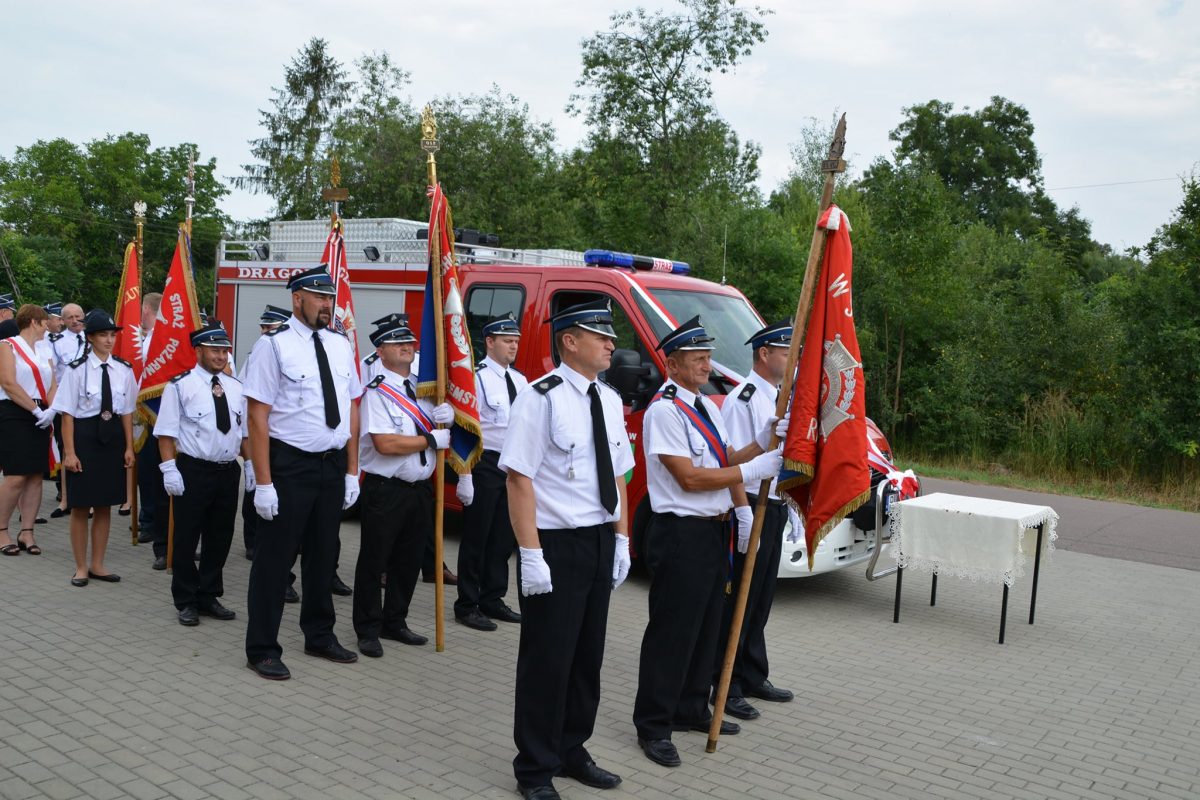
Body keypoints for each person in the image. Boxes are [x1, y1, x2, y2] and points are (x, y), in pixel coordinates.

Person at [631, 315, 783, 768]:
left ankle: (691, 707)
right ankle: (654, 724)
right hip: (681, 533)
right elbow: (691, 477)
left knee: (708, 626)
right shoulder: (664, 410)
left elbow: (724, 458)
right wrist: (752, 473)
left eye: (707, 356)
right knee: (673, 632)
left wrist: (762, 441)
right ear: (673, 364)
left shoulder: (707, 407)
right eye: (696, 358)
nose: (705, 363)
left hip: (712, 531)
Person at [499, 299, 634, 799]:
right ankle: (534, 768)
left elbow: (617, 474)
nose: (610, 343)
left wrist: (621, 538)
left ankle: (571, 749)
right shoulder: (541, 397)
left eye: (611, 336)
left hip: (598, 538)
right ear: (569, 341)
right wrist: (530, 554)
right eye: (599, 335)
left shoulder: (611, 400)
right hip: (555, 543)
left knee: (585, 656)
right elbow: (518, 478)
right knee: (547, 659)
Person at [243, 265, 363, 681]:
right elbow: (257, 417)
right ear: (298, 299)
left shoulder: (339, 345)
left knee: (324, 555)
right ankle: (262, 647)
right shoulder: (273, 348)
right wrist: (263, 483)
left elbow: (351, 408)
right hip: (289, 464)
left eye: (330, 298)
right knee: (275, 560)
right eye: (319, 297)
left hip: (331, 464)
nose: (328, 305)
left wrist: (352, 471)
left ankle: (319, 634)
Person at [352, 316, 455, 656]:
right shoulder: (377, 393)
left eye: (409, 341)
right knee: (374, 560)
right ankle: (367, 629)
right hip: (387, 489)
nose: (407, 347)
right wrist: (430, 439)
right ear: (380, 351)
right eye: (398, 343)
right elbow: (385, 443)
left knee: (409, 561)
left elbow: (437, 429)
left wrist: (447, 415)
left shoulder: (425, 388)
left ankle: (394, 621)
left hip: (420, 490)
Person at [713, 320, 799, 722]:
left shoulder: (782, 396)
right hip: (749, 502)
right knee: (740, 601)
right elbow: (731, 461)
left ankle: (751, 672)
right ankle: (725, 685)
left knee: (761, 597)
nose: (791, 358)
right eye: (786, 351)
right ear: (764, 355)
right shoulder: (743, 399)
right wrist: (743, 512)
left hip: (774, 504)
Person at [154, 322, 249, 626]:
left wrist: (250, 464)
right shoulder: (179, 386)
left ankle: (209, 594)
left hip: (226, 471)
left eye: (224, 351)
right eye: (215, 350)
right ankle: (185, 599)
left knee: (220, 537)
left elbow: (243, 433)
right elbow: (166, 433)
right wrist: (169, 469)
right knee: (186, 537)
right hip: (193, 469)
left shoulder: (236, 388)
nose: (221, 356)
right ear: (199, 351)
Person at [50, 309, 137, 587]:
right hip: (85, 437)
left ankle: (98, 563)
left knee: (104, 505)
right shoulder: (77, 370)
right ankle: (81, 566)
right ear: (90, 338)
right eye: (103, 335)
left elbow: (126, 412)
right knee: (80, 505)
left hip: (112, 439)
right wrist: (70, 452)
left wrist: (128, 447)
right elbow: (67, 415)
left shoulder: (123, 369)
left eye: (112, 335)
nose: (109, 341)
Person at [454, 312, 527, 631]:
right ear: (490, 342)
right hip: (485, 464)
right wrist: (466, 475)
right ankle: (467, 604)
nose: (513, 346)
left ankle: (492, 597)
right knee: (476, 538)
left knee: (502, 538)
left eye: (516, 341)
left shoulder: (521, 380)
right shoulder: (478, 377)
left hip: (511, 467)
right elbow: (467, 428)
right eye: (508, 341)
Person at [0, 304, 56, 557]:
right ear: (34, 322)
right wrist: (35, 411)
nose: (49, 327)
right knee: (16, 475)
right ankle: (2, 530)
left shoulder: (45, 350)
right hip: (14, 412)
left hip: (42, 414)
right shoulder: (8, 345)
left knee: (35, 474)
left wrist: (52, 411)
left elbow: (52, 384)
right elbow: (9, 383)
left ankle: (27, 531)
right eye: (45, 322)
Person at [240, 304, 290, 562]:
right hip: (258, 437)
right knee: (255, 493)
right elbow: (243, 402)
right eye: (263, 327)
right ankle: (252, 540)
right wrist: (247, 453)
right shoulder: (256, 356)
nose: (264, 331)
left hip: (284, 440)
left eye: (270, 327)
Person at [48, 302, 87, 519]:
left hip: (90, 403)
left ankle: (89, 501)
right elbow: (53, 373)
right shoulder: (57, 342)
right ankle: (65, 499)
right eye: (70, 317)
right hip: (66, 403)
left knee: (88, 448)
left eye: (78, 316)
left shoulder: (93, 339)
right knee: (66, 449)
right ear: (62, 321)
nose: (75, 320)